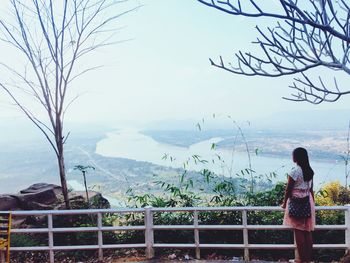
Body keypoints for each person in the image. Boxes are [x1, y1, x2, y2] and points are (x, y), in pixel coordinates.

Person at [281, 147, 315, 263]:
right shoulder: (309, 170)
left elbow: (288, 190)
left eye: (293, 155)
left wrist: (284, 203)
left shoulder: (294, 171)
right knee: (307, 230)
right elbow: (311, 189)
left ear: (296, 157)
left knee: (298, 230)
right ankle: (308, 259)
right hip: (307, 201)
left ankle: (301, 260)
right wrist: (312, 203)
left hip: (296, 202)